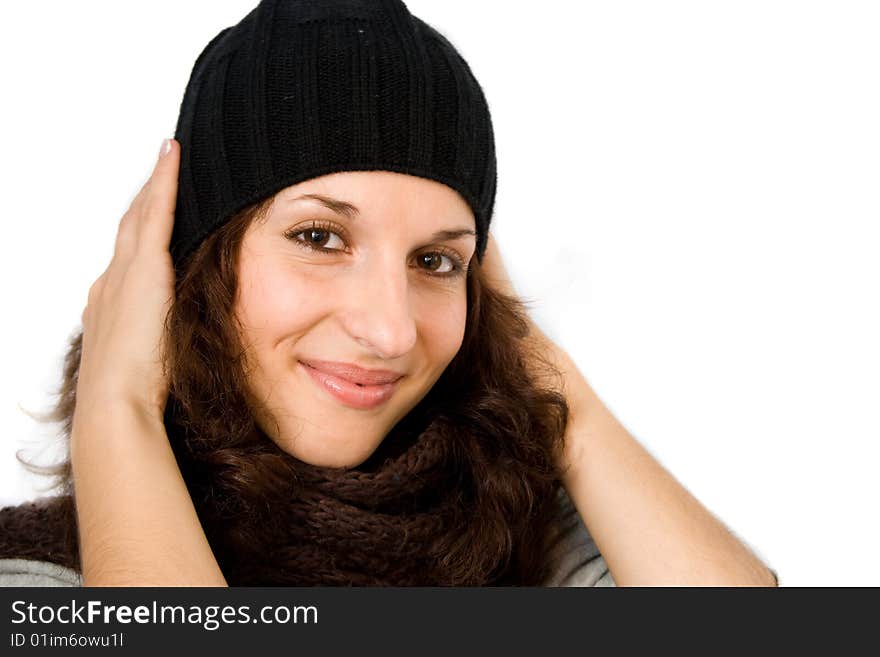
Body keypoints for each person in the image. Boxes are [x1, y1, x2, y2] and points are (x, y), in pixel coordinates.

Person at [0, 0, 777, 587]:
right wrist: (115, 407)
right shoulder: (46, 581)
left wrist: (541, 375)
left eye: (435, 260)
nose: (391, 329)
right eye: (319, 238)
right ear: (191, 268)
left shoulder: (527, 536)